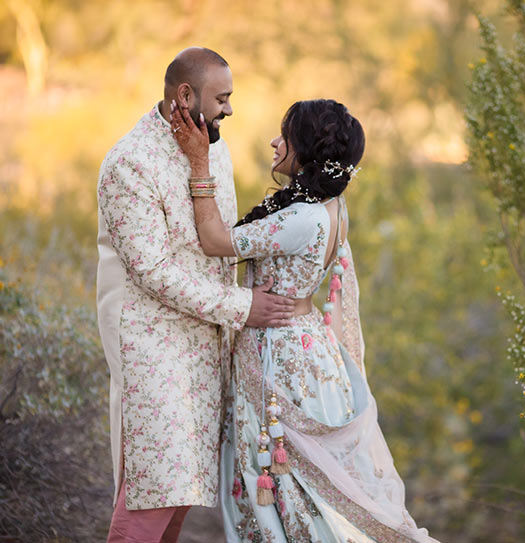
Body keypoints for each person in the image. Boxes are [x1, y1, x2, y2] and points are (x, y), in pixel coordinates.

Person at [171, 98, 439, 542]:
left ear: (308, 150)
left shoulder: (303, 217)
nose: (275, 143)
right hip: (310, 347)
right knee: (317, 485)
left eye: (286, 136)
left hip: (280, 356)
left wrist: (200, 165)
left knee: (290, 488)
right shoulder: (332, 206)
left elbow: (215, 240)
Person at [96, 47, 295, 542]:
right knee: (152, 493)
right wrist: (244, 308)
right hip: (153, 345)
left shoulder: (211, 145)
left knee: (181, 491)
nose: (229, 109)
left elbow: (218, 240)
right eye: (221, 98)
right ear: (184, 95)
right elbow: (154, 272)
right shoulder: (129, 164)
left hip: (207, 344)